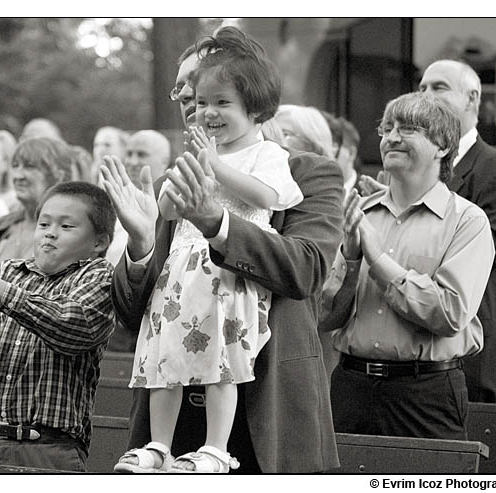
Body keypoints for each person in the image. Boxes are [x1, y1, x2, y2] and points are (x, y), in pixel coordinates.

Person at [102, 27, 343, 473]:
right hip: (175, 423)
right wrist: (138, 245)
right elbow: (134, 314)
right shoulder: (172, 181)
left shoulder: (307, 174)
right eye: (185, 91)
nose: (193, 102)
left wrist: (217, 223)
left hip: (265, 423)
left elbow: (305, 270)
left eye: (207, 90)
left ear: (250, 95)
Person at [320, 92, 495, 440]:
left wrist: (379, 262)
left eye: (409, 128)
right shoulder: (359, 213)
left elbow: (450, 313)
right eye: (387, 129)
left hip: (427, 394)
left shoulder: (467, 222)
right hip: (350, 388)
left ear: (443, 146)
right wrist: (352, 260)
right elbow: (325, 316)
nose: (392, 137)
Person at [0, 181, 116, 471]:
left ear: (98, 243)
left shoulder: (99, 276)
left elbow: (71, 325)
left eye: (66, 227)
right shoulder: (5, 271)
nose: (50, 232)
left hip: (48, 449)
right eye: (44, 223)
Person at [419, 60, 496, 404]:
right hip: (410, 362)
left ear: (473, 98)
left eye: (439, 87)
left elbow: (494, 248)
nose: (426, 96)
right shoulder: (406, 173)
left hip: (470, 357)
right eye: (421, 88)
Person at [0, 137, 77, 266]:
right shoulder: (0, 228)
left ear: (59, 176)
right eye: (15, 166)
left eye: (30, 167)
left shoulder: (73, 235)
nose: (18, 176)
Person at [105, 130, 172, 268]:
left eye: (141, 155)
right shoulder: (115, 199)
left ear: (165, 161)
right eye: (129, 154)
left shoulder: (172, 203)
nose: (133, 162)